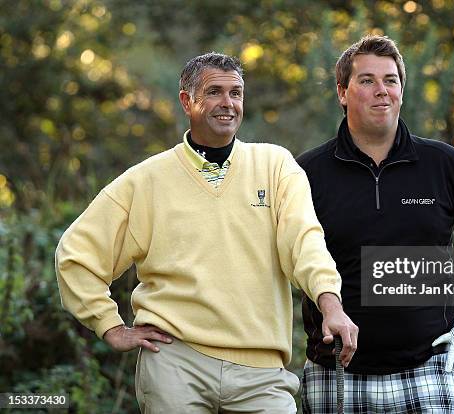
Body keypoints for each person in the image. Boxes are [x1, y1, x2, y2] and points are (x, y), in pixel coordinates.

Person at [55, 52, 358, 414]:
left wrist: (331, 304)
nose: (228, 103)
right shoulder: (146, 180)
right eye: (214, 92)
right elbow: (76, 255)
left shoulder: (276, 166)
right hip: (175, 364)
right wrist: (110, 326)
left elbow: (304, 243)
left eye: (236, 93)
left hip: (261, 372)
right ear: (187, 100)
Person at [298, 36, 454, 413]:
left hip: (428, 373)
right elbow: (267, 255)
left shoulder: (440, 164)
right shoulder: (306, 173)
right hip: (335, 375)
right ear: (342, 92)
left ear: (402, 92)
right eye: (367, 81)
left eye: (391, 81)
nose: (382, 91)